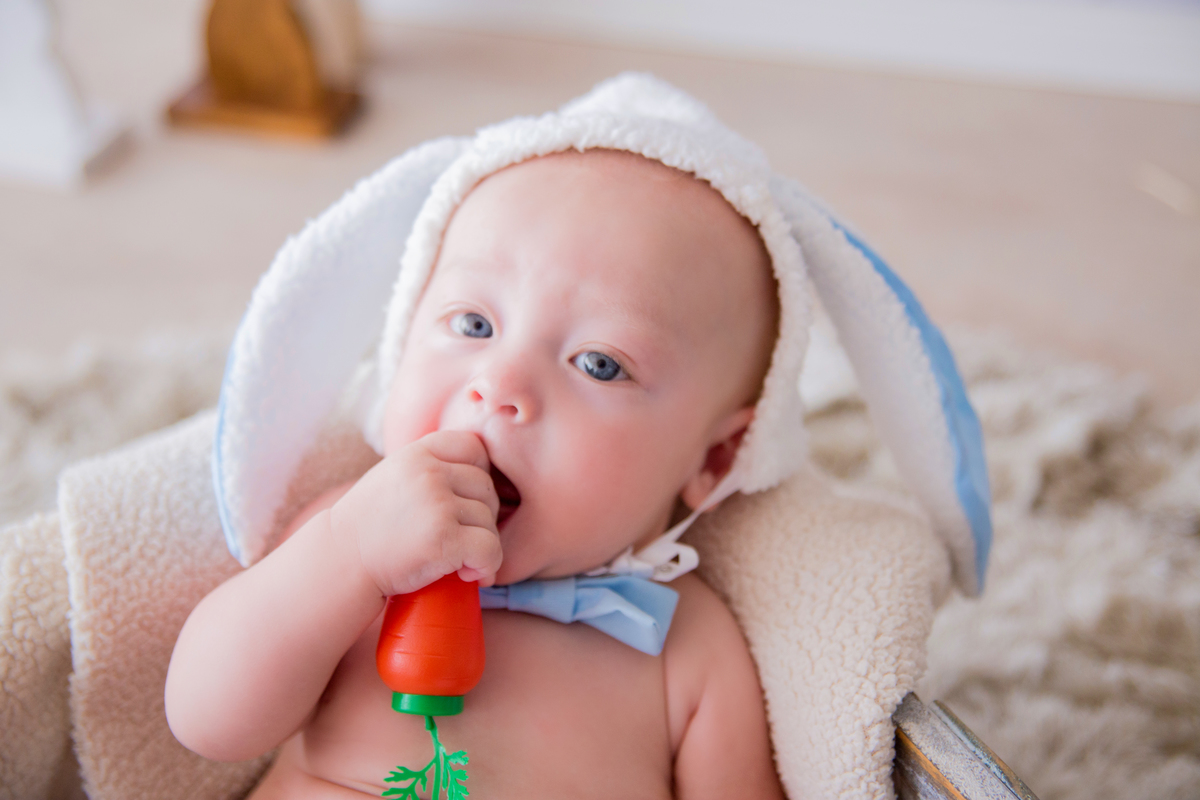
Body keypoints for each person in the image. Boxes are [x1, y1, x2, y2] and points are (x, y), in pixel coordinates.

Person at [165, 146, 787, 799]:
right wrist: (349, 554)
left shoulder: (685, 646)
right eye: (474, 323)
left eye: (598, 363)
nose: (499, 385)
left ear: (713, 460)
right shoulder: (347, 537)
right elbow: (208, 721)